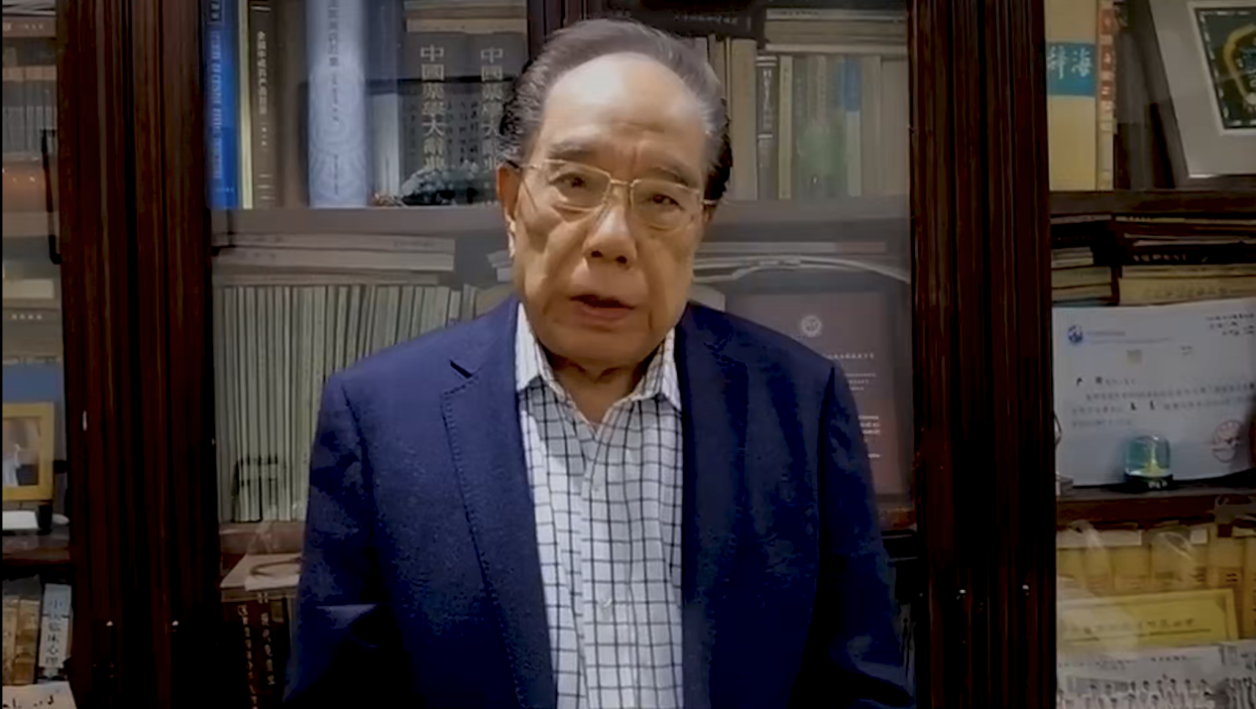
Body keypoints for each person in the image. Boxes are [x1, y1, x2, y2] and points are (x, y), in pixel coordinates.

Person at [286, 18, 911, 709]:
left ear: (701, 223)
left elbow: (863, 691)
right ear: (511, 202)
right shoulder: (380, 421)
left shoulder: (800, 405)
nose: (613, 239)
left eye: (662, 199)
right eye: (575, 182)